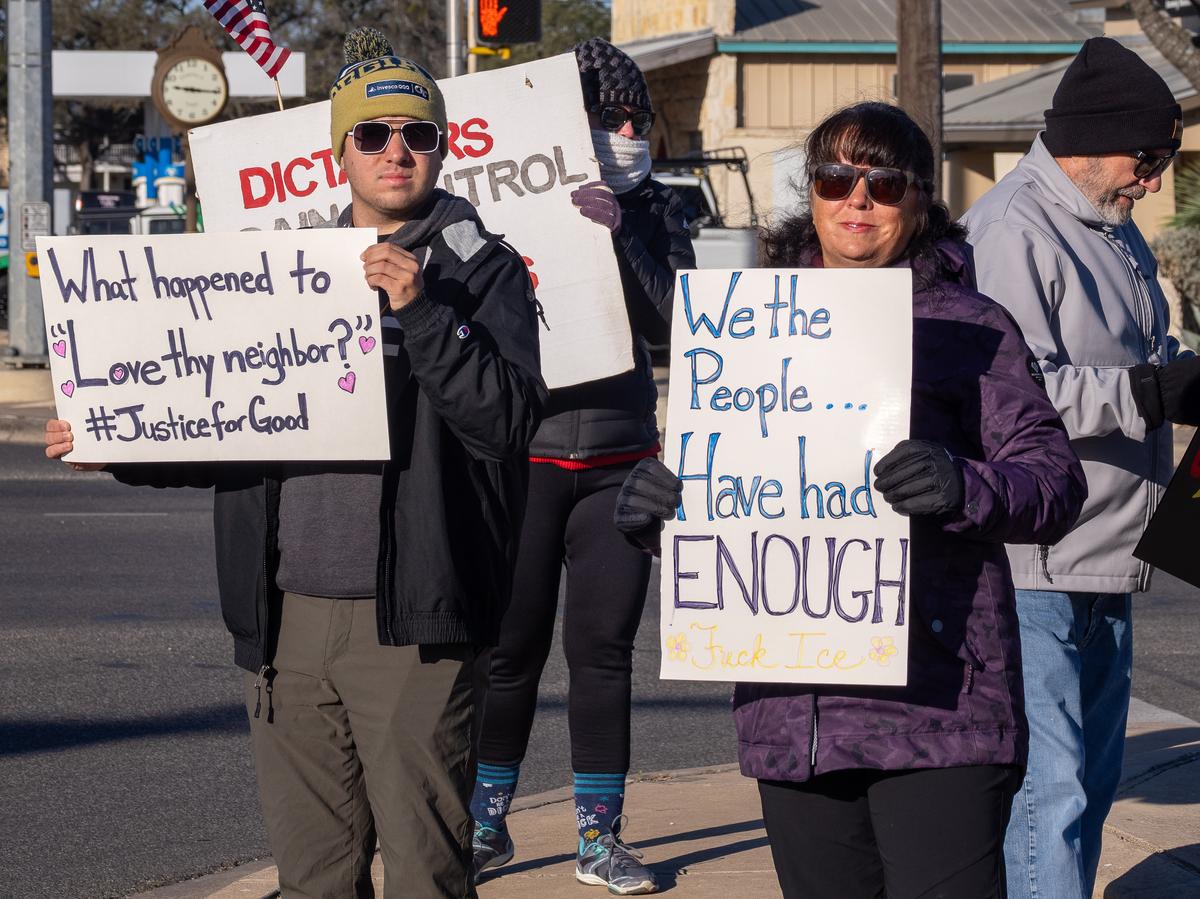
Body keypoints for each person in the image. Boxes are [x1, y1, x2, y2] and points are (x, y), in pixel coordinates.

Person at [45, 28, 545, 899]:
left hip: (417, 629)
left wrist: (421, 310)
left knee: (427, 874)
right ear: (337, 151)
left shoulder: (484, 269)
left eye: (417, 134)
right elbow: (222, 418)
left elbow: (503, 423)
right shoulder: (281, 271)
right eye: (373, 133)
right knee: (313, 877)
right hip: (287, 623)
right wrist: (116, 438)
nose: (397, 151)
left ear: (444, 147)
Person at [614, 101, 1087, 899]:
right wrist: (658, 509)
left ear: (918, 200)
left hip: (941, 709)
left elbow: (1053, 480)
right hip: (791, 713)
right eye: (836, 178)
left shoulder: (971, 327)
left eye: (883, 181)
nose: (857, 198)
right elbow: (730, 490)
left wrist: (961, 482)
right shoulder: (745, 324)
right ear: (813, 192)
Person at [961, 36, 1200, 899]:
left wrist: (1179, 376)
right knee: (1049, 788)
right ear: (1093, 140)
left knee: (1090, 784)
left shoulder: (1116, 229)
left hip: (1112, 548)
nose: (1156, 179)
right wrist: (1146, 390)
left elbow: (1135, 358)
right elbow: (1013, 391)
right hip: (1037, 557)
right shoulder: (1012, 229)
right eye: (1150, 158)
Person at [468, 37, 694, 895]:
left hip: (622, 459)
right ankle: (485, 823)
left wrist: (626, 229)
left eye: (632, 118)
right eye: (602, 118)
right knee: (509, 649)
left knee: (602, 654)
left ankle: (600, 836)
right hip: (525, 454)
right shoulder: (499, 203)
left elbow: (673, 320)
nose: (620, 132)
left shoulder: (656, 205)